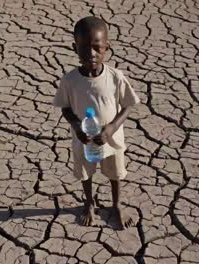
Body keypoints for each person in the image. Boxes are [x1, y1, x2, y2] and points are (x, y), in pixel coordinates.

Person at [54, 16, 140, 229]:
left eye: (96, 47)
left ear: (106, 48)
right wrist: (76, 126)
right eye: (84, 48)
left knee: (115, 173)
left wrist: (111, 128)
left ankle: (117, 205)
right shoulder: (70, 80)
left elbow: (128, 105)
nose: (91, 54)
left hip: (111, 140)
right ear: (75, 48)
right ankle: (89, 203)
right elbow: (65, 107)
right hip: (84, 140)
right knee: (86, 173)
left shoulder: (115, 77)